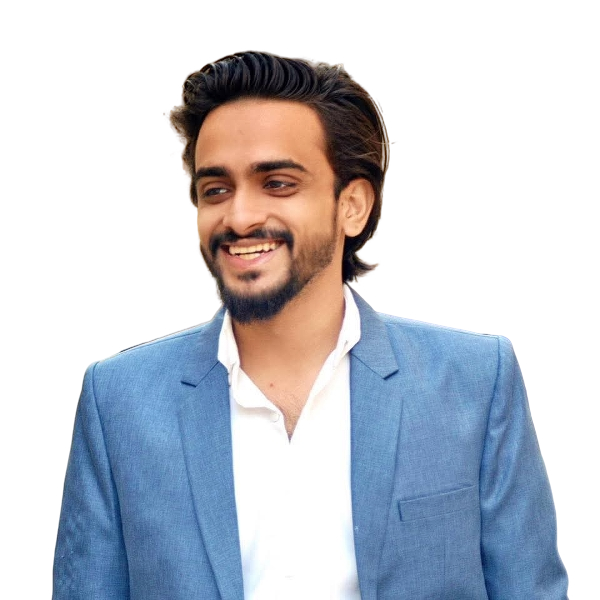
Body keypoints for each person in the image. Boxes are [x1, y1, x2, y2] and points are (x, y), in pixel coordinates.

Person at [50, 50, 573, 599]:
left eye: (277, 183)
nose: (240, 217)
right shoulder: (118, 401)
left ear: (353, 206)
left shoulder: (475, 382)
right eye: (216, 189)